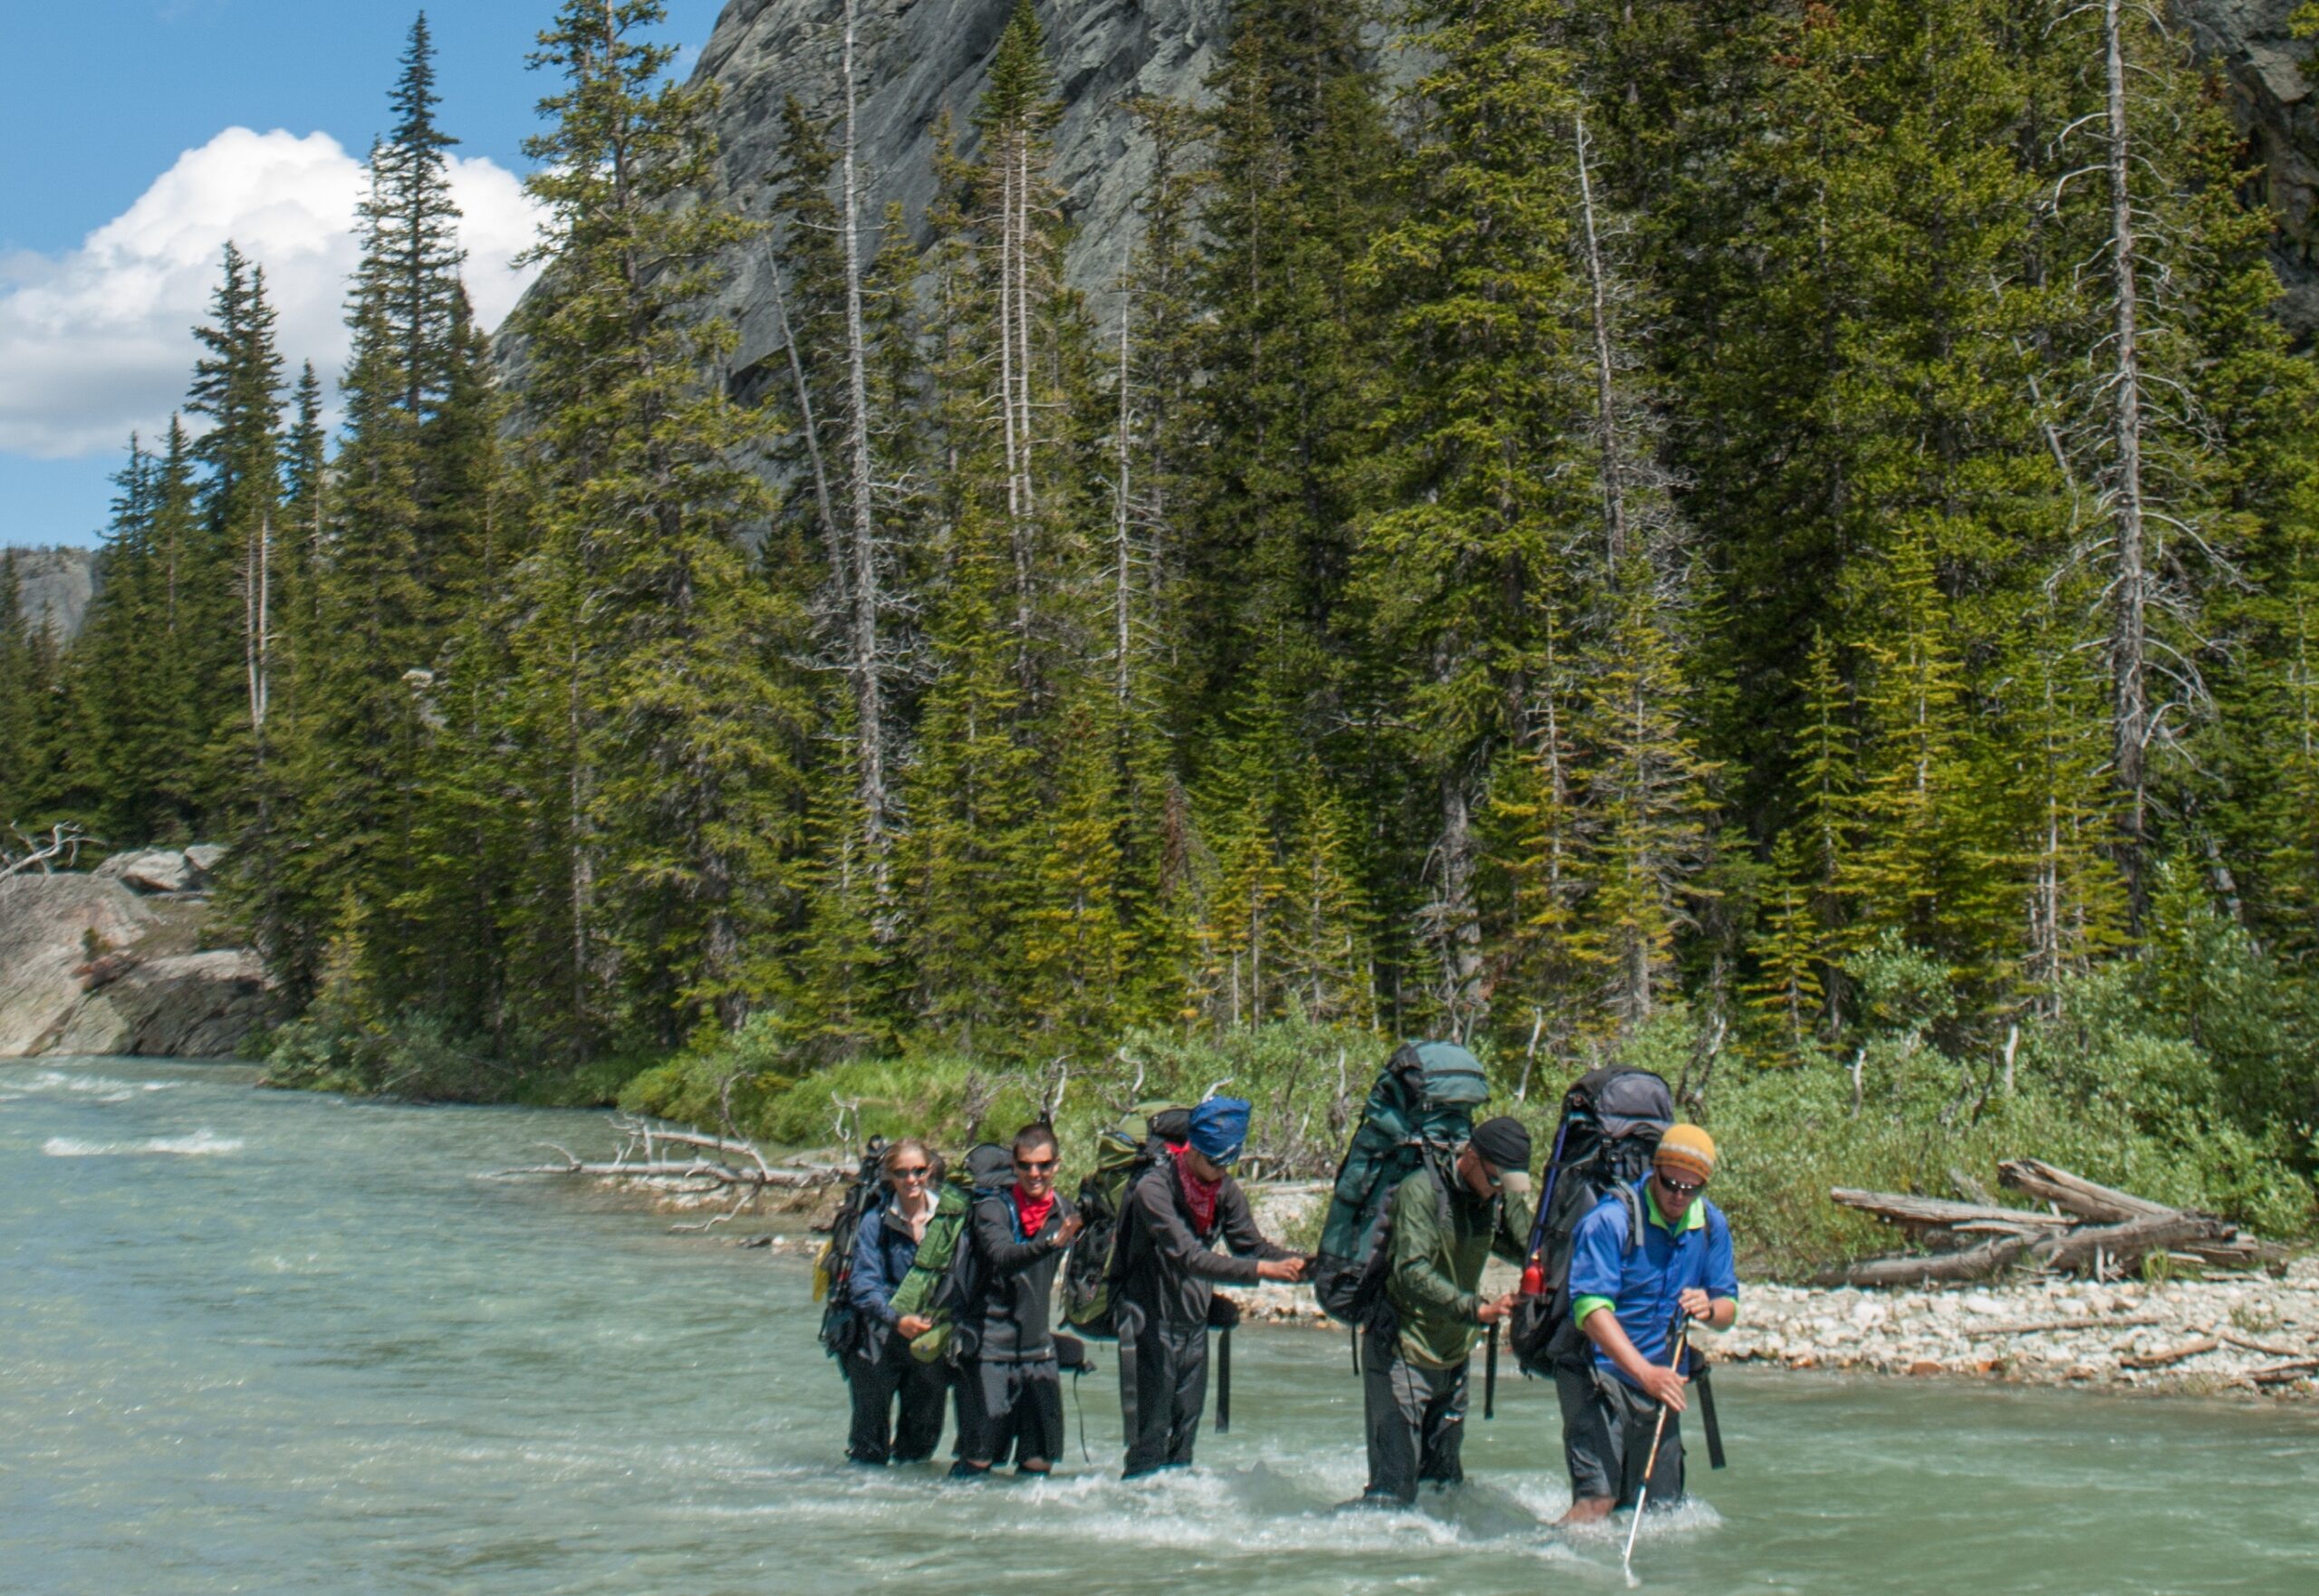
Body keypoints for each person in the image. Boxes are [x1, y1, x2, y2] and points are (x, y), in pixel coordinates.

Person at [1111, 1096, 1307, 1478]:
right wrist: (1264, 1270)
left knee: (1183, 1444)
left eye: (1228, 1164)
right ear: (1193, 1149)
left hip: (1193, 1326)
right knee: (1149, 1445)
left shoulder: (1223, 1190)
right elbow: (1189, 1257)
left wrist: (1311, 1265)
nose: (1220, 1172)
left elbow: (1253, 1246)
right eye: (1214, 1162)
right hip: (1148, 1325)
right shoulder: (1152, 1190)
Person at [1554, 1122, 1737, 1525]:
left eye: (1691, 1189)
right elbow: (1591, 1312)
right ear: (1655, 1169)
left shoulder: (1709, 1224)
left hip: (1661, 1381)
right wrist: (1645, 1374)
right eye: (1670, 1183)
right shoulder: (1610, 1221)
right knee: (1596, 1503)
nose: (1678, 1196)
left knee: (1659, 1514)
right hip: (1597, 1372)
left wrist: (1709, 1307)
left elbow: (1728, 1308)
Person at [1360, 1115, 1535, 1506]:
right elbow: (1410, 1272)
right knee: (1394, 1495)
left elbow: (1529, 1247)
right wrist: (1475, 1309)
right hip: (1403, 1351)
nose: (1496, 1192)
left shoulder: (1492, 1198)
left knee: (1443, 1491)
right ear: (1469, 1156)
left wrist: (1512, 1196)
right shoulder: (1420, 1192)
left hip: (1453, 1355)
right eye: (1493, 1180)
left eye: (1505, 1185)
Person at [949, 1121, 1083, 1478]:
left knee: (1040, 1460)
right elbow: (1003, 1255)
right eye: (1025, 1165)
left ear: (1057, 1164)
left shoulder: (1064, 1211)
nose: (1034, 1173)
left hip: (1038, 1350)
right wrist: (1051, 1243)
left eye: (1043, 1165)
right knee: (979, 1458)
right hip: (989, 1348)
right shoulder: (992, 1208)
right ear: (1014, 1164)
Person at [843, 1139, 949, 1466]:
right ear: (890, 1176)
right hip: (877, 1341)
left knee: (920, 1444)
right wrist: (896, 1318)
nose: (912, 1179)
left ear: (929, 1170)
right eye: (902, 1172)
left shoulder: (949, 1219)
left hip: (930, 1341)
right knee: (869, 1447)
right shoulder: (874, 1222)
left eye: (918, 1171)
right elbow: (863, 1285)